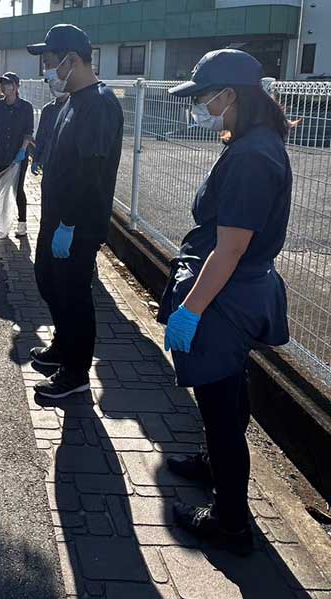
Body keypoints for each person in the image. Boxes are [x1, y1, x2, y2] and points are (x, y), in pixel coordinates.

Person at [159, 49, 292, 555]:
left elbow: (231, 248)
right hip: (234, 290)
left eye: (204, 97)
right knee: (230, 395)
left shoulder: (254, 157)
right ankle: (215, 464)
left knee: (221, 414)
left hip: (226, 298)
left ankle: (231, 522)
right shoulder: (253, 143)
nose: (200, 107)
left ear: (230, 95)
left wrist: (190, 309)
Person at [25, 24, 124, 400]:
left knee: (75, 295)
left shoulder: (99, 103)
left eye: (50, 62)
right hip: (56, 218)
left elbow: (90, 173)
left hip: (77, 223)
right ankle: (63, 348)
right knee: (49, 281)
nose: (46, 71)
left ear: (72, 60)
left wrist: (67, 223)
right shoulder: (73, 101)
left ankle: (76, 372)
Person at [0, 72, 34, 238]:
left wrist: (22, 150)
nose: (5, 87)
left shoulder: (26, 107)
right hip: (0, 154)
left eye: (9, 84)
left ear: (16, 86)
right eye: (3, 84)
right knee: (1, 190)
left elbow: (28, 132)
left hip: (18, 155)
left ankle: (22, 223)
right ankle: (2, 225)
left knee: (17, 188)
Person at [31, 89, 69, 176]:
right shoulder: (48, 109)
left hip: (69, 163)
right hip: (48, 161)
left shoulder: (75, 107)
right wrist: (36, 159)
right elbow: (41, 136)